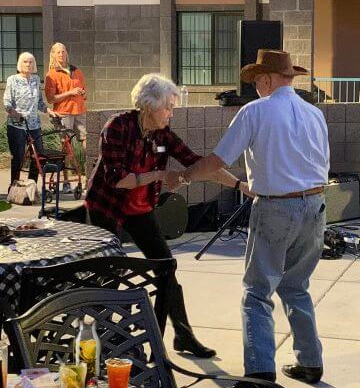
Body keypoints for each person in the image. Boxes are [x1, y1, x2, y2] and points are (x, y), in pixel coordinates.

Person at [166, 50, 329, 388]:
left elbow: (216, 161)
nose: (255, 87)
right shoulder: (315, 114)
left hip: (276, 207)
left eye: (257, 81)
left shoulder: (255, 111)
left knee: (256, 293)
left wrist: (182, 178)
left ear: (267, 79)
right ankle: (311, 363)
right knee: (296, 287)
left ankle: (258, 375)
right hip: (316, 206)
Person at [85, 73, 250, 358]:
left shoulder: (163, 135)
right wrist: (162, 174)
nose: (172, 113)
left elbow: (198, 165)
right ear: (149, 106)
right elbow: (117, 179)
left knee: (166, 267)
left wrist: (240, 185)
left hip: (139, 209)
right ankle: (105, 340)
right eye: (168, 107)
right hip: (107, 207)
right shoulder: (117, 127)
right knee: (110, 273)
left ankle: (183, 336)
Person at [3, 52, 55, 187]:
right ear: (20, 64)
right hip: (17, 125)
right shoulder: (12, 79)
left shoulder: (36, 80)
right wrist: (15, 113)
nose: (28, 64)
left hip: (34, 125)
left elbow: (39, 102)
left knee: (38, 157)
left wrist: (49, 111)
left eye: (31, 62)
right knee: (18, 158)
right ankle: (14, 186)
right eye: (25, 62)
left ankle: (31, 185)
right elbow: (7, 103)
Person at [44, 42, 86, 194]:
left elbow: (83, 92)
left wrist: (81, 93)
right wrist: (70, 92)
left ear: (66, 53)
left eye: (63, 51)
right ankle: (66, 182)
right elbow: (50, 99)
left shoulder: (77, 71)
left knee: (88, 142)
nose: (61, 54)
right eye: (58, 52)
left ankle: (88, 179)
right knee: (65, 148)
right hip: (63, 113)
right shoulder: (51, 74)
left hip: (79, 111)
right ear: (53, 55)